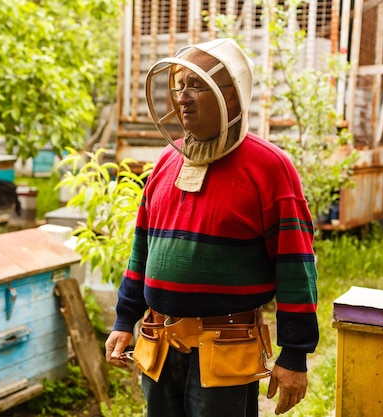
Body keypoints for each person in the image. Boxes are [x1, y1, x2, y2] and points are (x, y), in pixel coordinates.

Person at [104, 38, 319, 417]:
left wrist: (296, 354)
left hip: (225, 350)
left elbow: (295, 264)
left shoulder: (270, 168)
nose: (183, 97)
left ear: (231, 97)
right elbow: (142, 250)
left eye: (197, 85)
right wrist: (125, 319)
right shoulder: (165, 163)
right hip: (158, 345)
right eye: (179, 85)